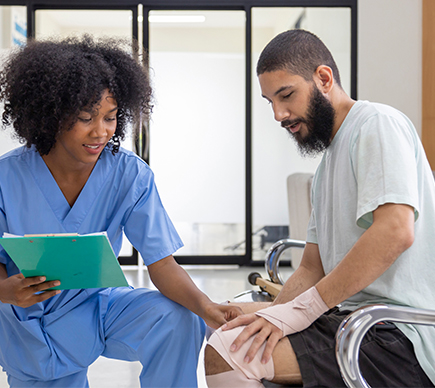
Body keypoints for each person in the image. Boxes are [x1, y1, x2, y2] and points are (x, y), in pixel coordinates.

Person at [0, 35, 242, 388]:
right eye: (85, 118)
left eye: (111, 118)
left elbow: (162, 263)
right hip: (30, 324)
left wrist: (205, 307)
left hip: (96, 310)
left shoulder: (129, 174)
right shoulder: (7, 178)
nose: (101, 132)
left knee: (177, 319)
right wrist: (7, 291)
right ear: (50, 116)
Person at [204, 29, 435, 388]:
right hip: (350, 318)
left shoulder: (377, 124)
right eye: (270, 102)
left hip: (396, 333)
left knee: (228, 352)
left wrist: (299, 312)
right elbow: (312, 268)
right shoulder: (328, 163)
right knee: (229, 326)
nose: (279, 114)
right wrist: (275, 313)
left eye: (287, 95)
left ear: (323, 78)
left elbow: (395, 231)